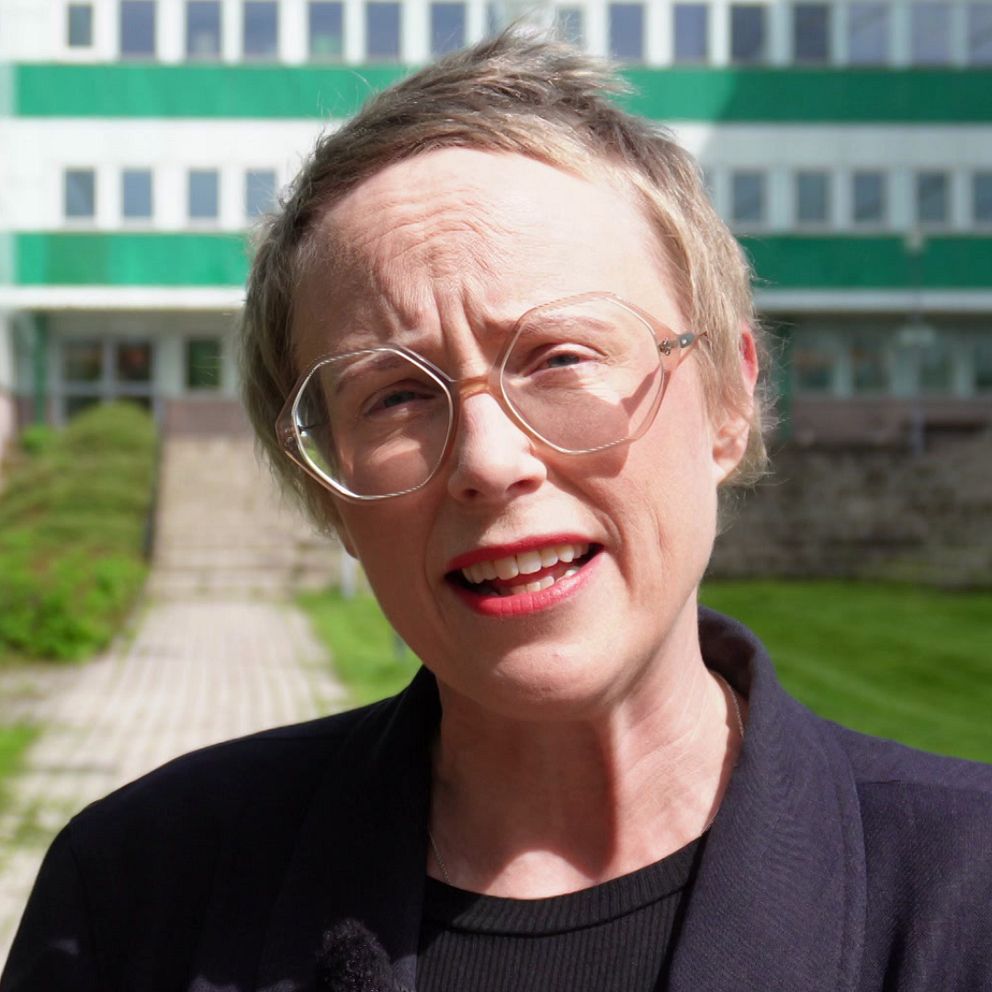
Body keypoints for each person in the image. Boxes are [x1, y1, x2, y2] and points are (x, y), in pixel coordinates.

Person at [3, 31, 991, 992]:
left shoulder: (966, 893)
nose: (487, 459)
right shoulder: (135, 902)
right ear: (327, 486)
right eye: (395, 394)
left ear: (727, 401)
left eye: (559, 357)